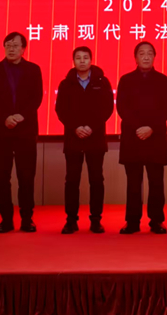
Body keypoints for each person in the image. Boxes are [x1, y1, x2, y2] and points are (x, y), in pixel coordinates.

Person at [0, 31, 43, 234]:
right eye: (8, 45)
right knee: (2, 178)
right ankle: (6, 220)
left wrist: (20, 116)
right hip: (1, 132)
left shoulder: (34, 69)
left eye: (15, 45)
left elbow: (37, 97)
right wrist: (5, 118)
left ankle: (27, 219)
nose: (11, 49)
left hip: (25, 131)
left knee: (26, 177)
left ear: (23, 49)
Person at [54, 46, 114, 234]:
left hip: (95, 138)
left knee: (96, 180)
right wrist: (75, 127)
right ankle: (71, 220)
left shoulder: (102, 82)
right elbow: (60, 109)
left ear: (91, 60)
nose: (82, 61)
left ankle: (96, 220)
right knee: (72, 181)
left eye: (85, 57)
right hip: (73, 138)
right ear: (73, 61)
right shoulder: (66, 84)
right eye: (78, 58)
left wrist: (92, 127)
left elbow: (107, 108)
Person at [116, 41, 167, 234]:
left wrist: (151, 128)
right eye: (142, 53)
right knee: (133, 183)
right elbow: (122, 107)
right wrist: (138, 127)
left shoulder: (163, 80)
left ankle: (156, 220)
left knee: (156, 182)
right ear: (136, 57)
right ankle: (132, 221)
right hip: (132, 137)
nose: (146, 57)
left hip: (155, 137)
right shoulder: (126, 80)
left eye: (150, 53)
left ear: (154, 57)